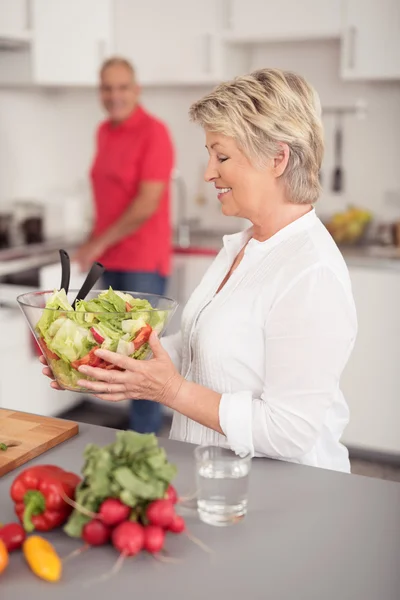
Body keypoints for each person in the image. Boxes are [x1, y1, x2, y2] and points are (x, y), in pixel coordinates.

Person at [43, 68, 357, 473]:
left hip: (280, 493)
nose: (209, 172)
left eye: (221, 156)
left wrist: (169, 391)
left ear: (278, 158)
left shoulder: (311, 272)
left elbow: (288, 431)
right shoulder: (242, 245)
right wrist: (108, 362)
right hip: (213, 477)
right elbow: (197, 350)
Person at [73, 57, 175, 434]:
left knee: (142, 355)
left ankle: (145, 440)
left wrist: (98, 242)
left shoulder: (154, 132)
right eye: (107, 88)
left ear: (136, 89)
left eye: (121, 87)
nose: (114, 95)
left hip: (142, 261)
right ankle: (131, 431)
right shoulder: (104, 131)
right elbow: (108, 200)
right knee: (115, 351)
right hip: (110, 259)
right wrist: (90, 242)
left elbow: (146, 204)